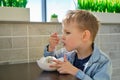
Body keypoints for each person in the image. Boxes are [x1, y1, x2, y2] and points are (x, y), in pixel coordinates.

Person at [44, 10, 112, 80]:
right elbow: (49, 62)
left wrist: (75, 71)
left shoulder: (103, 62)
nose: (62, 37)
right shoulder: (66, 54)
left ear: (84, 36)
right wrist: (51, 47)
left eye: (67, 33)